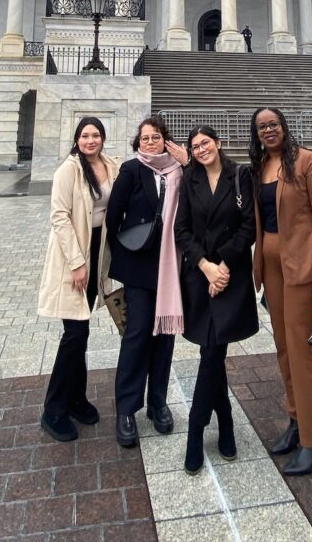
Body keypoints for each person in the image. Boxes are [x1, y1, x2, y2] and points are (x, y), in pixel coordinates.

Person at [249, 106, 312, 476]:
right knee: (284, 348)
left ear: (284, 127)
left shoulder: (305, 161)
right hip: (271, 267)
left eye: (274, 124)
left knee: (301, 352)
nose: (269, 131)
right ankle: (296, 421)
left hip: (302, 267)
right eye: (261, 127)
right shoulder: (258, 168)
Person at [175, 125, 258, 475]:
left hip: (231, 276)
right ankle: (224, 424)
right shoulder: (189, 180)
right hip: (200, 277)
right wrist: (206, 266)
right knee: (212, 353)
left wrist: (222, 266)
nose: (200, 150)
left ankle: (196, 432)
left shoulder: (240, 175)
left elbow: (249, 226)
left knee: (212, 352)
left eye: (205, 143)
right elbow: (182, 230)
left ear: (219, 143)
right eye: (194, 146)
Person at [106, 116, 187, 448]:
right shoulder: (131, 170)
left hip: (170, 268)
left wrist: (188, 161)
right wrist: (125, 253)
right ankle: (126, 409)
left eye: (156, 137)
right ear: (137, 142)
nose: (150, 142)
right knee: (137, 336)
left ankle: (158, 403)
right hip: (139, 267)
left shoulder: (178, 171)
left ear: (166, 140)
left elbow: (201, 191)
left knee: (164, 337)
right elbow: (114, 216)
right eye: (145, 138)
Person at [37, 117, 120, 441]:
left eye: (96, 135)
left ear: (103, 138)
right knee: (74, 333)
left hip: (97, 251)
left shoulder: (110, 165)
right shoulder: (68, 170)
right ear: (77, 138)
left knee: (81, 331)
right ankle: (53, 409)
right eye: (85, 135)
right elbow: (59, 216)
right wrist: (76, 262)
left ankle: (76, 398)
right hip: (74, 257)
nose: (91, 140)